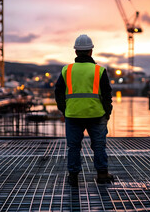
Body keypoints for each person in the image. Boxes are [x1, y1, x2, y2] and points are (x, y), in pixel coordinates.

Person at [55, 34, 114, 187]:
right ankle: (102, 174)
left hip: (73, 114)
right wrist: (107, 112)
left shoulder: (66, 70)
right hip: (96, 114)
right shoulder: (99, 71)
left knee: (73, 147)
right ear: (91, 52)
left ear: (76, 52)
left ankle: (73, 177)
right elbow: (107, 94)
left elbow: (58, 92)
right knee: (99, 145)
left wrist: (64, 109)